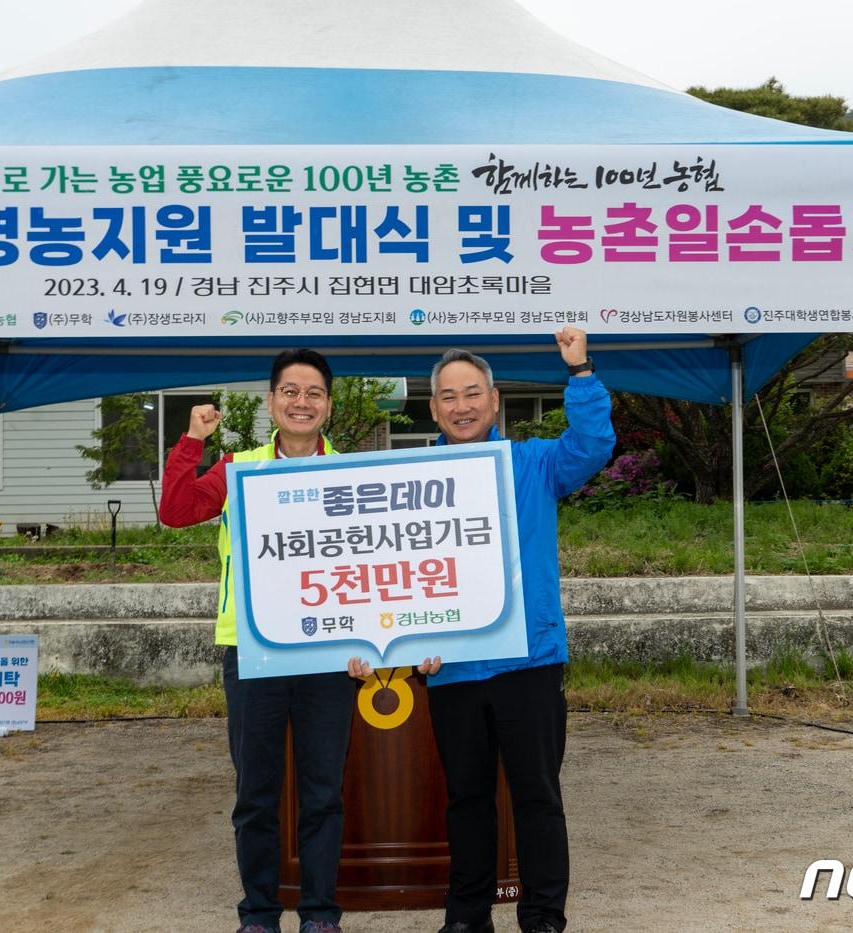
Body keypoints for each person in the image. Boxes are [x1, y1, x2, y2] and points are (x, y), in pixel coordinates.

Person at [349, 327, 613, 933]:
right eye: (448, 396)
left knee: (537, 797)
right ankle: (466, 917)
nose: (461, 405)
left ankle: (543, 915)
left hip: (531, 660)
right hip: (452, 667)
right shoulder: (409, 481)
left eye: (473, 393)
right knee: (467, 800)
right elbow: (388, 572)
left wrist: (580, 373)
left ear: (494, 402)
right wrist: (387, 641)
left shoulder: (535, 463)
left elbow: (594, 443)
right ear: (433, 407)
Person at [160, 348, 355, 933]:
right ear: (272, 401)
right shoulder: (238, 467)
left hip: (328, 653)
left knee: (323, 792)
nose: (302, 402)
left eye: (313, 393)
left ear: (328, 405)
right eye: (290, 392)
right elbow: (174, 511)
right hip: (252, 649)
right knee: (256, 795)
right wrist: (192, 441)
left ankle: (320, 915)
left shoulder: (351, 471)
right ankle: (259, 914)